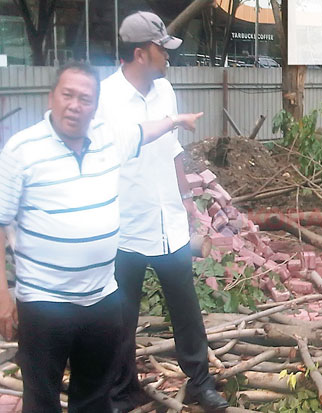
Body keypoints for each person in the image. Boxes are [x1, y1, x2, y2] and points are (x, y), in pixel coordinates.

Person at [0, 62, 202, 412]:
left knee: (94, 398)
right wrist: (3, 296)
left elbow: (145, 130)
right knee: (42, 399)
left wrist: (176, 120)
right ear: (52, 97)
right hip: (44, 303)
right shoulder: (22, 150)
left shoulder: (109, 139)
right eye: (68, 95)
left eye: (85, 99)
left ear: (95, 107)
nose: (75, 105)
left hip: (102, 301)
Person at [96, 12, 228, 412]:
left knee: (186, 309)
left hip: (168, 223)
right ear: (140, 54)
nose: (167, 57)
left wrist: (188, 203)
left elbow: (172, 150)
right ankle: (122, 392)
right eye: (161, 50)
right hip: (126, 226)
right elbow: (123, 144)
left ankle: (201, 383)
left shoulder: (164, 90)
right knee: (123, 317)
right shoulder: (106, 98)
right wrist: (171, 121)